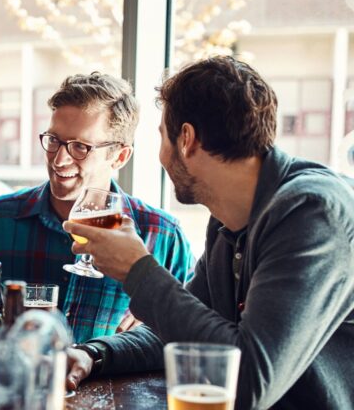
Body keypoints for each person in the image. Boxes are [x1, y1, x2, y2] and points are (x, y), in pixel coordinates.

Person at [63, 56, 354, 408]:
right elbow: (181, 333)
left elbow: (247, 382)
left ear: (187, 139)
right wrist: (94, 355)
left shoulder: (312, 211)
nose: (161, 155)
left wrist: (137, 270)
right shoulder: (229, 218)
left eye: (162, 137)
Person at [0, 72, 195, 347]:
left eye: (80, 147)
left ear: (119, 156)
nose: (59, 160)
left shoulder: (163, 236)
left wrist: (156, 324)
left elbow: (190, 328)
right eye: (54, 140)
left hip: (109, 377)